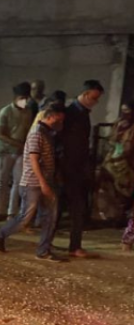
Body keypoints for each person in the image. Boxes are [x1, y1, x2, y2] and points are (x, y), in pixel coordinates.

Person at [0, 103, 67, 262]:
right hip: (33, 183)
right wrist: (43, 183)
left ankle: (44, 250)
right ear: (51, 116)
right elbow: (33, 160)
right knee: (25, 218)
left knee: (49, 216)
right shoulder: (37, 133)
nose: (61, 122)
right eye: (59, 118)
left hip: (44, 181)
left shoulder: (47, 133)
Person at [61, 80, 104, 258]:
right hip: (69, 168)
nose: (95, 102)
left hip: (76, 168)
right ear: (86, 94)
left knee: (72, 208)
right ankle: (72, 246)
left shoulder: (82, 113)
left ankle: (71, 245)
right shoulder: (71, 113)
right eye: (94, 98)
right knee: (74, 208)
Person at [0, 82, 33, 221]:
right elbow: (0, 134)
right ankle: (0, 211)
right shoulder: (5, 111)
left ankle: (11, 212)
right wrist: (18, 143)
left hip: (20, 152)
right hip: (5, 151)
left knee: (18, 182)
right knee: (2, 182)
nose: (25, 100)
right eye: (22, 97)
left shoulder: (28, 112)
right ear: (16, 97)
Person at [96, 101, 134, 222]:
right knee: (105, 181)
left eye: (127, 111)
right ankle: (112, 213)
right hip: (114, 159)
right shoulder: (118, 123)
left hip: (128, 163)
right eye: (123, 111)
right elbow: (111, 139)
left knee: (126, 186)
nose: (124, 114)